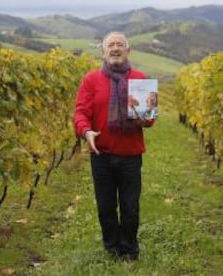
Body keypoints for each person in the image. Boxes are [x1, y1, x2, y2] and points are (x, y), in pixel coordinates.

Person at [73, 31, 155, 261]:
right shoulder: (91, 80)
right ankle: (112, 248)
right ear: (103, 51)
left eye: (120, 44)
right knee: (106, 207)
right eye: (111, 45)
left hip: (130, 155)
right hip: (102, 155)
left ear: (128, 51)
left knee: (130, 207)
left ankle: (129, 249)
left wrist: (144, 118)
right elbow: (80, 112)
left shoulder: (141, 79)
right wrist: (86, 131)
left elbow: (150, 120)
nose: (115, 48)